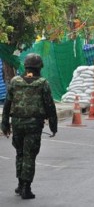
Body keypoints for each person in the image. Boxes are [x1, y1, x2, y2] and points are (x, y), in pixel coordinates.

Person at [1, 53, 58, 199]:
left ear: (26, 66)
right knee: (29, 155)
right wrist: (53, 126)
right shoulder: (43, 83)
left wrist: (5, 123)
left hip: (17, 123)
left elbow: (7, 104)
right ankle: (26, 187)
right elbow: (50, 106)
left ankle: (20, 184)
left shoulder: (15, 81)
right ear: (40, 67)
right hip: (34, 125)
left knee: (20, 153)